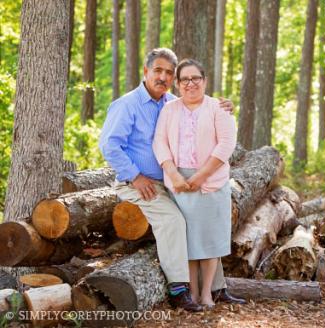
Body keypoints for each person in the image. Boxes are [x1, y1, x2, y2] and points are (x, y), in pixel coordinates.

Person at [99, 48, 246, 312]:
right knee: (174, 221)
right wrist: (136, 176)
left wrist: (226, 106)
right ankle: (180, 289)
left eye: (169, 72)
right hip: (140, 183)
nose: (163, 76)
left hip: (170, 182)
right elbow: (110, 146)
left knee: (201, 223)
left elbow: (200, 111)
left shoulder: (169, 103)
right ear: (146, 71)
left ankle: (215, 288)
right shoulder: (127, 104)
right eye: (158, 70)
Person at [153, 58, 236, 309]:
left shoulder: (219, 108)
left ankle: (208, 294)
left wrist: (199, 177)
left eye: (195, 78)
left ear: (204, 80)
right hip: (178, 181)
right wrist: (174, 174)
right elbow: (160, 142)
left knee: (211, 239)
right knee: (188, 240)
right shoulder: (170, 109)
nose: (191, 84)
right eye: (185, 79)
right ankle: (193, 293)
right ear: (177, 84)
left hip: (211, 179)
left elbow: (226, 145)